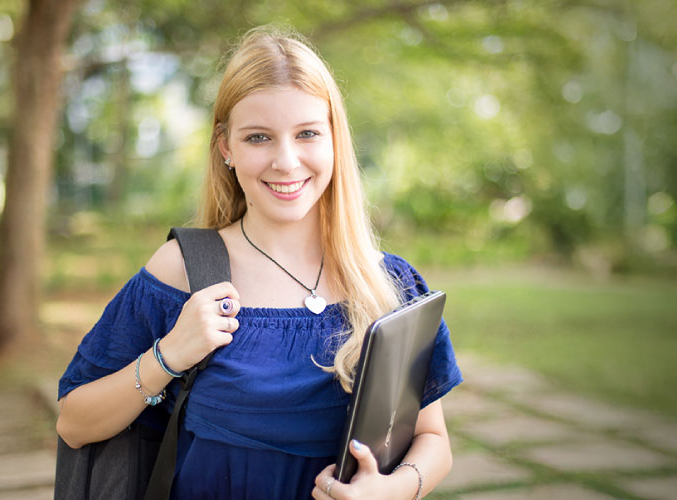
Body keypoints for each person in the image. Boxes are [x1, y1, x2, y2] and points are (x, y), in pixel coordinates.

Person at [56, 25, 462, 500]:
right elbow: (74, 424)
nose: (286, 161)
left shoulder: (389, 284)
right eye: (258, 138)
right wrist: (167, 357)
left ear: (335, 138)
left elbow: (433, 439)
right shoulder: (181, 271)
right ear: (226, 147)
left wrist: (392, 490)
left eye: (307, 133)